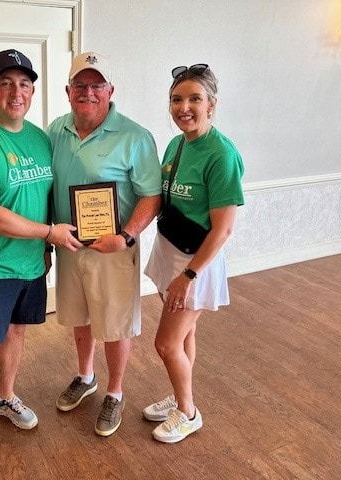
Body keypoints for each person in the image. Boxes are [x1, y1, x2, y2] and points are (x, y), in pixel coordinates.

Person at [0, 49, 82, 465]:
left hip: (29, 264)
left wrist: (43, 247)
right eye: (5, 83)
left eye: (24, 84)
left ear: (33, 91)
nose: (15, 92)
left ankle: (4, 397)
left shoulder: (39, 139)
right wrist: (50, 234)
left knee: (17, 333)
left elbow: (43, 198)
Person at [47, 52, 161, 437]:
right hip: (69, 246)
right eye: (81, 85)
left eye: (97, 85)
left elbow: (151, 196)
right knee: (79, 317)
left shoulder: (135, 136)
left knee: (113, 324)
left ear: (111, 90)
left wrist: (126, 235)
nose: (89, 92)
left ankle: (114, 391)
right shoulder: (55, 131)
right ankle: (86, 376)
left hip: (113, 249)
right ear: (68, 91)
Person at [142, 64, 245, 443]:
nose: (184, 107)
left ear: (212, 104)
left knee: (166, 343)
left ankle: (188, 412)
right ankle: (179, 395)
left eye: (194, 99)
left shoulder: (221, 155)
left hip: (193, 262)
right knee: (185, 334)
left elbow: (224, 229)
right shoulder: (178, 143)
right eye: (176, 99)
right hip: (170, 249)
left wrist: (188, 277)